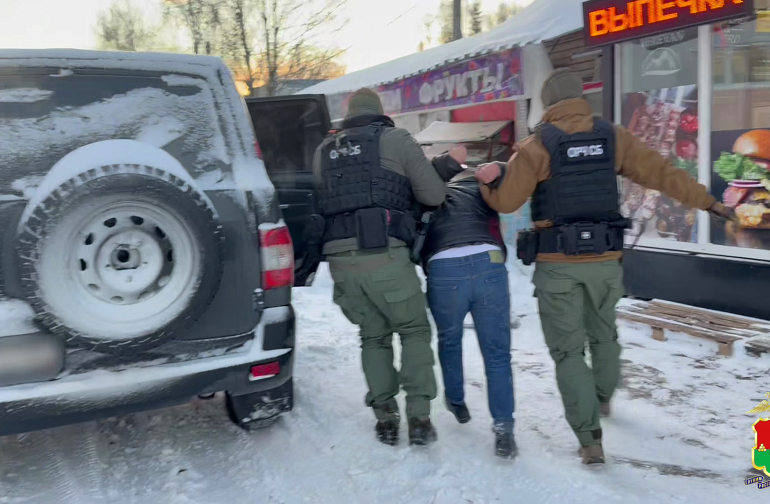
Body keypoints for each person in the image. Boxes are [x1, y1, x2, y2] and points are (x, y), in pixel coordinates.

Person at [474, 68, 736, 465]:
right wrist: (710, 203)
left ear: (547, 103)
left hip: (558, 265)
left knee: (568, 352)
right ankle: (602, 398)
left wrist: (486, 183)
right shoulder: (613, 137)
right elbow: (663, 174)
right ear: (580, 97)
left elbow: (507, 202)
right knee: (604, 334)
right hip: (605, 261)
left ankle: (590, 440)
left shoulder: (535, 146)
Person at [312, 88, 466, 446]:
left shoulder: (324, 150)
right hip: (385, 254)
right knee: (413, 330)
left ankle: (385, 419)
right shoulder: (395, 139)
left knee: (373, 336)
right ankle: (419, 418)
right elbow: (433, 195)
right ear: (380, 111)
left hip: (340, 261)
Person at [419, 161, 516, 459]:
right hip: (489, 262)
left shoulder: (422, 197)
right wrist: (498, 167)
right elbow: (511, 174)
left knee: (449, 339)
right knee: (497, 353)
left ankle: (456, 401)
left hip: (443, 267)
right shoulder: (478, 186)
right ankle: (504, 429)